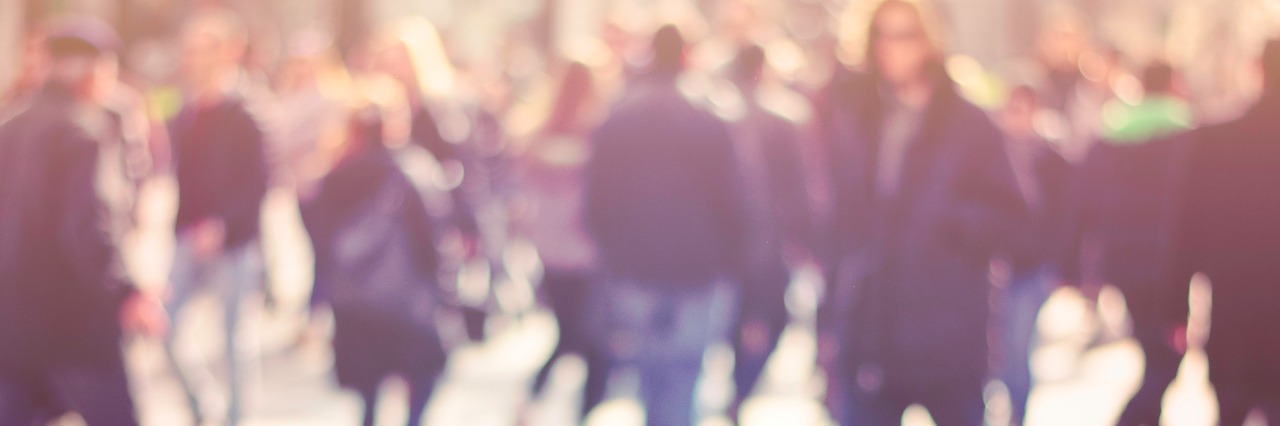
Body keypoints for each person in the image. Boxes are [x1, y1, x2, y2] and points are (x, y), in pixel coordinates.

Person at [818, 1, 1027, 424]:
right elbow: (837, 222)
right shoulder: (856, 116)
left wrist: (951, 227)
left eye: (906, 34)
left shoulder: (968, 122)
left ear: (929, 41)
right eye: (883, 35)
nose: (892, 48)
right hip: (871, 334)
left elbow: (1013, 218)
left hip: (947, 336)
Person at [0, 18, 167, 425]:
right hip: (75, 324)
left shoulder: (9, 126)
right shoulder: (83, 132)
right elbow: (88, 228)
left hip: (14, 321)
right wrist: (127, 292)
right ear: (94, 73)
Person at [584, 25, 749, 426]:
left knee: (650, 372)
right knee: (683, 374)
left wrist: (613, 253)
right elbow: (736, 199)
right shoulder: (709, 113)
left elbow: (596, 197)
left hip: (638, 266)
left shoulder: (621, 114)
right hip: (697, 268)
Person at [302, 75, 449, 426]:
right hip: (405, 298)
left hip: (354, 301)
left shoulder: (333, 175)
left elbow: (320, 241)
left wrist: (320, 299)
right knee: (421, 373)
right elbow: (433, 236)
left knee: (369, 390)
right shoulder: (411, 169)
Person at [163, 9, 270, 425]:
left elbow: (259, 182)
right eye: (191, 49)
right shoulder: (185, 111)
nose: (195, 58)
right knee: (165, 328)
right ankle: (201, 407)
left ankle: (237, 419)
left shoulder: (246, 110)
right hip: (187, 237)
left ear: (228, 51)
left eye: (205, 48)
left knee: (234, 342)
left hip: (235, 240)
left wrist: (224, 224)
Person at [1076, 62, 1195, 426]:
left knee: (1153, 348)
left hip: (1124, 261)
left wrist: (1081, 264)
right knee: (1167, 353)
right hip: (1170, 261)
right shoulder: (1187, 135)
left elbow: (1084, 202)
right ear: (1174, 84)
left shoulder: (1112, 132)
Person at [1179, 38, 1280, 426]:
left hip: (1233, 315)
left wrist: (1176, 305)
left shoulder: (1217, 139)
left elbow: (1188, 224)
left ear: (1258, 69)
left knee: (1229, 412)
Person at [724, 43, 814, 422]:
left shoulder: (724, 111)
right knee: (769, 317)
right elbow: (802, 186)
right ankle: (740, 386)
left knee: (746, 316)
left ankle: (738, 384)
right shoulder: (784, 116)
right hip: (766, 238)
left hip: (737, 238)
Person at [517, 61, 610, 421]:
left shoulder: (540, 133)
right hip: (584, 249)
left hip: (551, 250)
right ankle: (577, 408)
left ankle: (541, 400)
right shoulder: (596, 136)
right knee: (580, 334)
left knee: (572, 332)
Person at [998, 85, 1076, 426]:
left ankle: (1017, 414)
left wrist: (1057, 265)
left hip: (1031, 268)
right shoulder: (989, 155)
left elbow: (1066, 217)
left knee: (1017, 348)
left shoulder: (1051, 159)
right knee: (995, 351)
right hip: (993, 268)